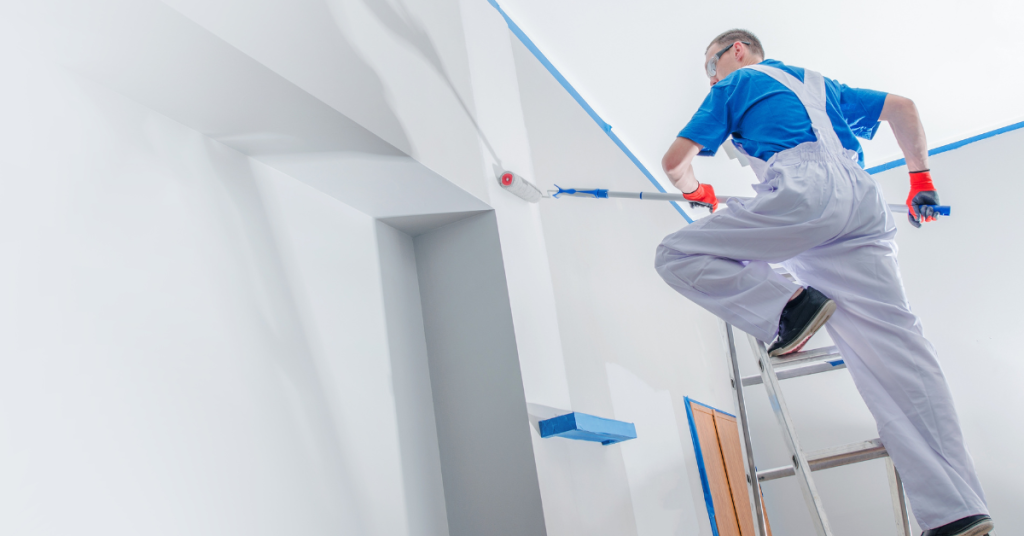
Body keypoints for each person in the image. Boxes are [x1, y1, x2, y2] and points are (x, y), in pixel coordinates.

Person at [654, 29, 991, 536]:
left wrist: (697, 191)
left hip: (805, 195)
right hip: (863, 202)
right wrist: (920, 180)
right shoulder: (819, 84)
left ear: (736, 51)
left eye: (710, 65)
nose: (711, 76)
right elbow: (903, 108)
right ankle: (956, 509)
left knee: (677, 253)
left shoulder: (736, 82)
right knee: (898, 354)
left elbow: (675, 162)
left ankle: (791, 308)